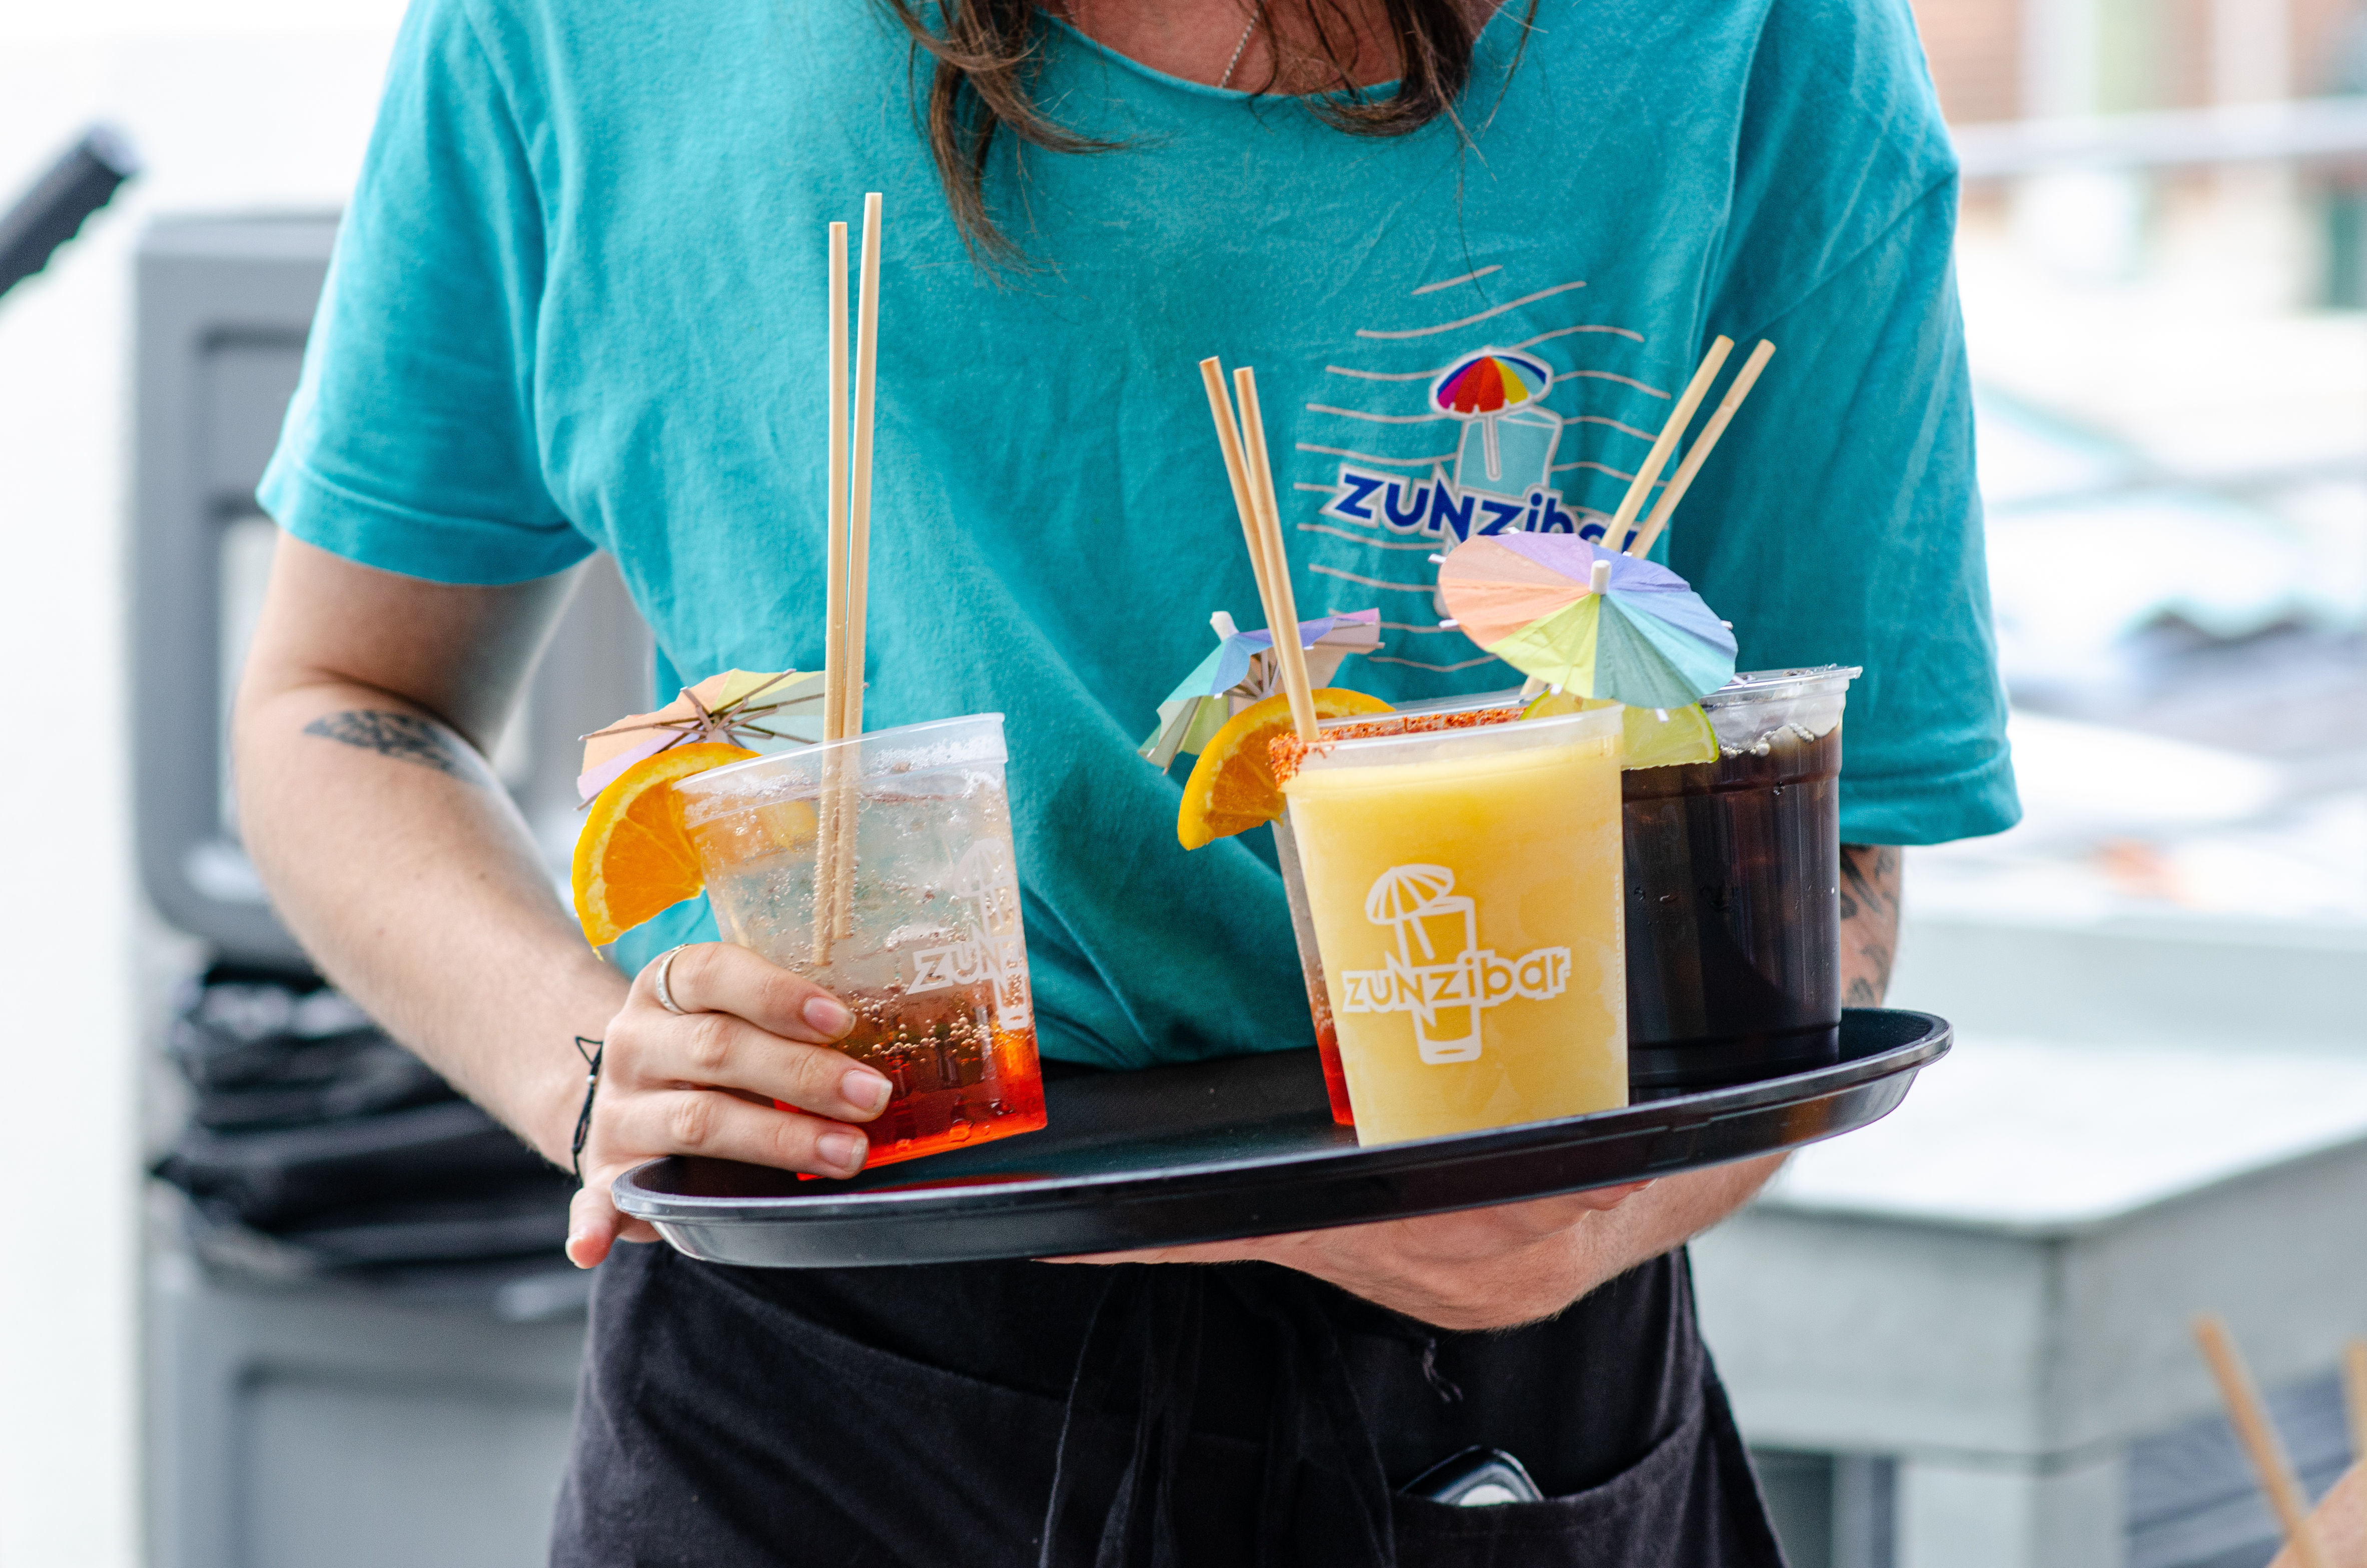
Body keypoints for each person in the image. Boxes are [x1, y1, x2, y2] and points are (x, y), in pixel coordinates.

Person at [234, 0, 2015, 1561]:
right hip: (818, 1378)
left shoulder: (1764, 34)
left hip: (1491, 1385)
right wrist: (600, 1069)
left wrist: (1617, 1205)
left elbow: (1821, 834)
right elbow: (339, 704)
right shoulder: (570, 31)